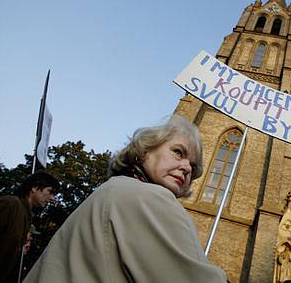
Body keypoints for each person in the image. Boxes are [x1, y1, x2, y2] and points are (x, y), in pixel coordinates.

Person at [24, 115, 227, 282]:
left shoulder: (114, 189)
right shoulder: (148, 197)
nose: (186, 167)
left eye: (192, 165)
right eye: (177, 152)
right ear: (145, 151)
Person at [0, 171, 59, 283]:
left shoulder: (26, 215)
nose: (52, 198)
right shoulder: (10, 203)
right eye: (50, 192)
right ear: (35, 188)